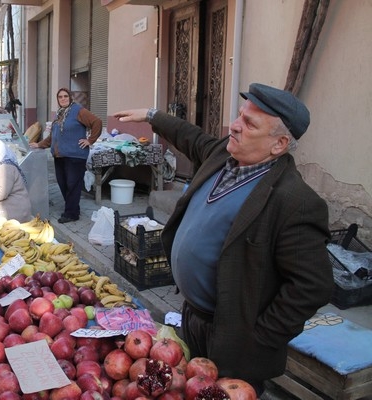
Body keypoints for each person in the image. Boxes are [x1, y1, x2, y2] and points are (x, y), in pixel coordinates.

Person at [113, 83, 334, 394]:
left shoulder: (294, 201)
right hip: (193, 319)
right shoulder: (223, 155)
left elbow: (313, 286)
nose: (235, 125)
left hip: (233, 339)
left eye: (249, 123)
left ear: (279, 143)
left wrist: (258, 337)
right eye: (240, 115)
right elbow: (191, 138)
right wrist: (152, 116)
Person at [30, 88, 102, 223]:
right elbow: (53, 137)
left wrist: (90, 140)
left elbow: (96, 122)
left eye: (65, 96)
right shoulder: (59, 114)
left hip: (75, 155)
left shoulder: (78, 110)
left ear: (70, 97)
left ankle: (71, 213)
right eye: (60, 97)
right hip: (60, 156)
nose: (63, 99)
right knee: (63, 183)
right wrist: (39, 144)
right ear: (57, 100)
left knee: (72, 184)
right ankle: (73, 208)